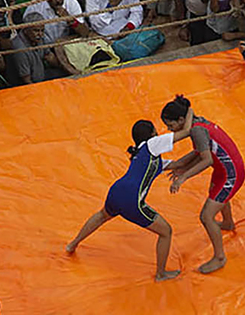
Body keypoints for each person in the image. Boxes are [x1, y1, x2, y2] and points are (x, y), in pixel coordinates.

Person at [65, 100, 194, 280]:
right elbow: (186, 132)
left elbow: (179, 164)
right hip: (131, 200)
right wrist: (189, 111)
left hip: (116, 191)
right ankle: (161, 273)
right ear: (152, 133)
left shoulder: (143, 155)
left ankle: (72, 244)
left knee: (102, 215)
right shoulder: (153, 144)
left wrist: (199, 152)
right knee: (166, 231)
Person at [162, 97, 245, 274]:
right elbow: (199, 152)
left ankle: (220, 257)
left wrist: (183, 177)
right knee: (216, 194)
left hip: (231, 174)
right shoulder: (197, 122)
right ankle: (228, 222)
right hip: (225, 169)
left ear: (181, 120)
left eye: (171, 125)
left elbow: (207, 160)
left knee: (206, 216)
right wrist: (181, 166)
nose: (170, 130)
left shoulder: (197, 131)